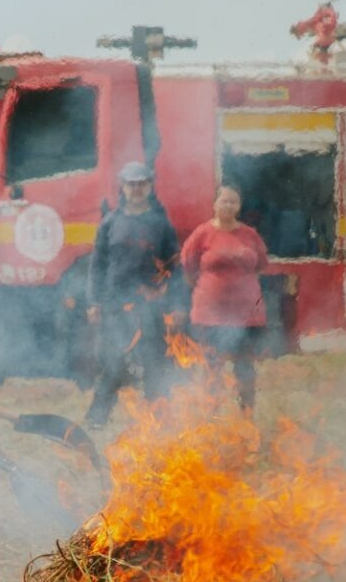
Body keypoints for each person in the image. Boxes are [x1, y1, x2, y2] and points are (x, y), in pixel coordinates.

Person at [83, 160, 184, 429]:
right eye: (131, 184)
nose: (136, 189)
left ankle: (158, 419)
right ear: (123, 187)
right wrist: (94, 302)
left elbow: (174, 266)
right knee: (113, 363)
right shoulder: (110, 223)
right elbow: (97, 265)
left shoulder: (161, 224)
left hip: (150, 307)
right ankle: (96, 419)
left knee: (154, 363)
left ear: (150, 187)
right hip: (115, 306)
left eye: (142, 183)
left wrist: (177, 305)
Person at [180, 185, 271, 416]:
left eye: (233, 202)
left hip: (246, 313)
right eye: (224, 201)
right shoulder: (202, 233)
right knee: (212, 365)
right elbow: (188, 266)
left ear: (239, 206)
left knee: (244, 365)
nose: (228, 205)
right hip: (210, 313)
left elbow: (261, 263)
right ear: (215, 204)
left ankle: (246, 413)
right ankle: (212, 414)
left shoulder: (250, 234)